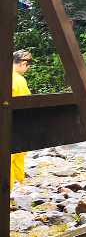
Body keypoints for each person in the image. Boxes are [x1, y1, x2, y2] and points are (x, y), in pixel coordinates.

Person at [9, 50, 32, 185]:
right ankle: (10, 192)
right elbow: (26, 104)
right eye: (27, 67)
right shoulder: (18, 80)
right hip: (15, 124)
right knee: (13, 157)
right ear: (23, 64)